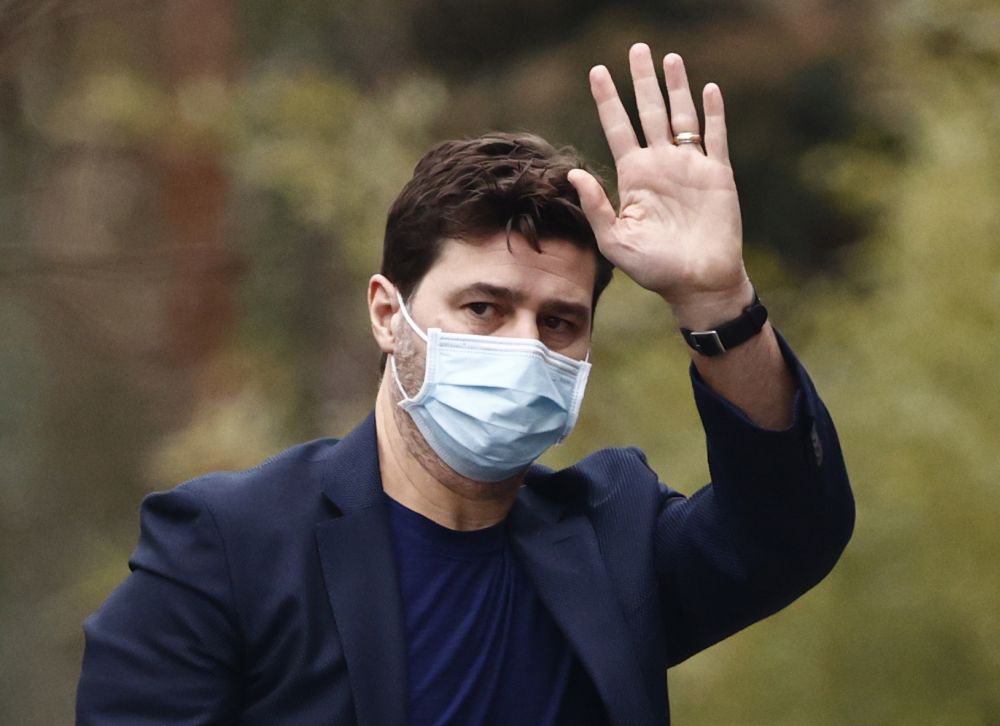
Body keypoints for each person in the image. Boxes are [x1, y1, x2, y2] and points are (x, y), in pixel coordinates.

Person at [77, 44, 854, 725]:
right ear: (388, 314)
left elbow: (790, 528)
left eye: (559, 322)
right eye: (484, 308)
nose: (524, 345)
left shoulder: (610, 542)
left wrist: (718, 302)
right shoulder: (227, 551)